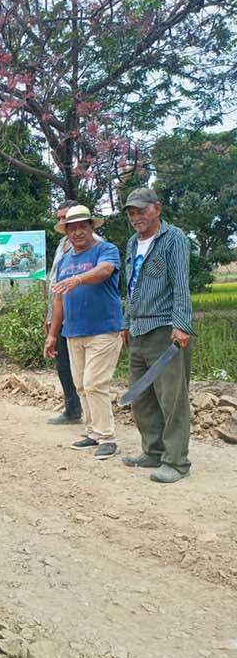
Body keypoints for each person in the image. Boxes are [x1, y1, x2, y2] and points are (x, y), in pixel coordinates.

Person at [121, 187, 194, 483]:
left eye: (141, 210)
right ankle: (153, 451)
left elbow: (181, 285)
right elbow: (131, 287)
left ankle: (176, 462)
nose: (136, 217)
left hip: (165, 329)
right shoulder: (132, 243)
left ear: (157, 209)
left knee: (172, 399)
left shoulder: (173, 238)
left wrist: (182, 325)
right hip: (138, 329)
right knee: (141, 397)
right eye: (131, 213)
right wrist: (126, 322)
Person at [44, 205, 123, 460]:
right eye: (72, 228)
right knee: (81, 385)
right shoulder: (65, 261)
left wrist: (78, 279)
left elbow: (105, 271)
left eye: (82, 227)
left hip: (104, 329)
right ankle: (93, 432)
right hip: (74, 332)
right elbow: (59, 300)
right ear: (66, 232)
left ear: (91, 228)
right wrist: (53, 335)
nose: (78, 232)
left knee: (94, 383)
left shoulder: (105, 250)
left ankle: (107, 437)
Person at [45, 199, 83, 425]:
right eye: (59, 218)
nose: (61, 222)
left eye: (65, 217)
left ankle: (93, 418)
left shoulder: (96, 245)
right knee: (63, 364)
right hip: (60, 314)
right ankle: (72, 409)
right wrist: (50, 316)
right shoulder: (62, 244)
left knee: (83, 367)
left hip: (79, 315)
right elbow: (55, 283)